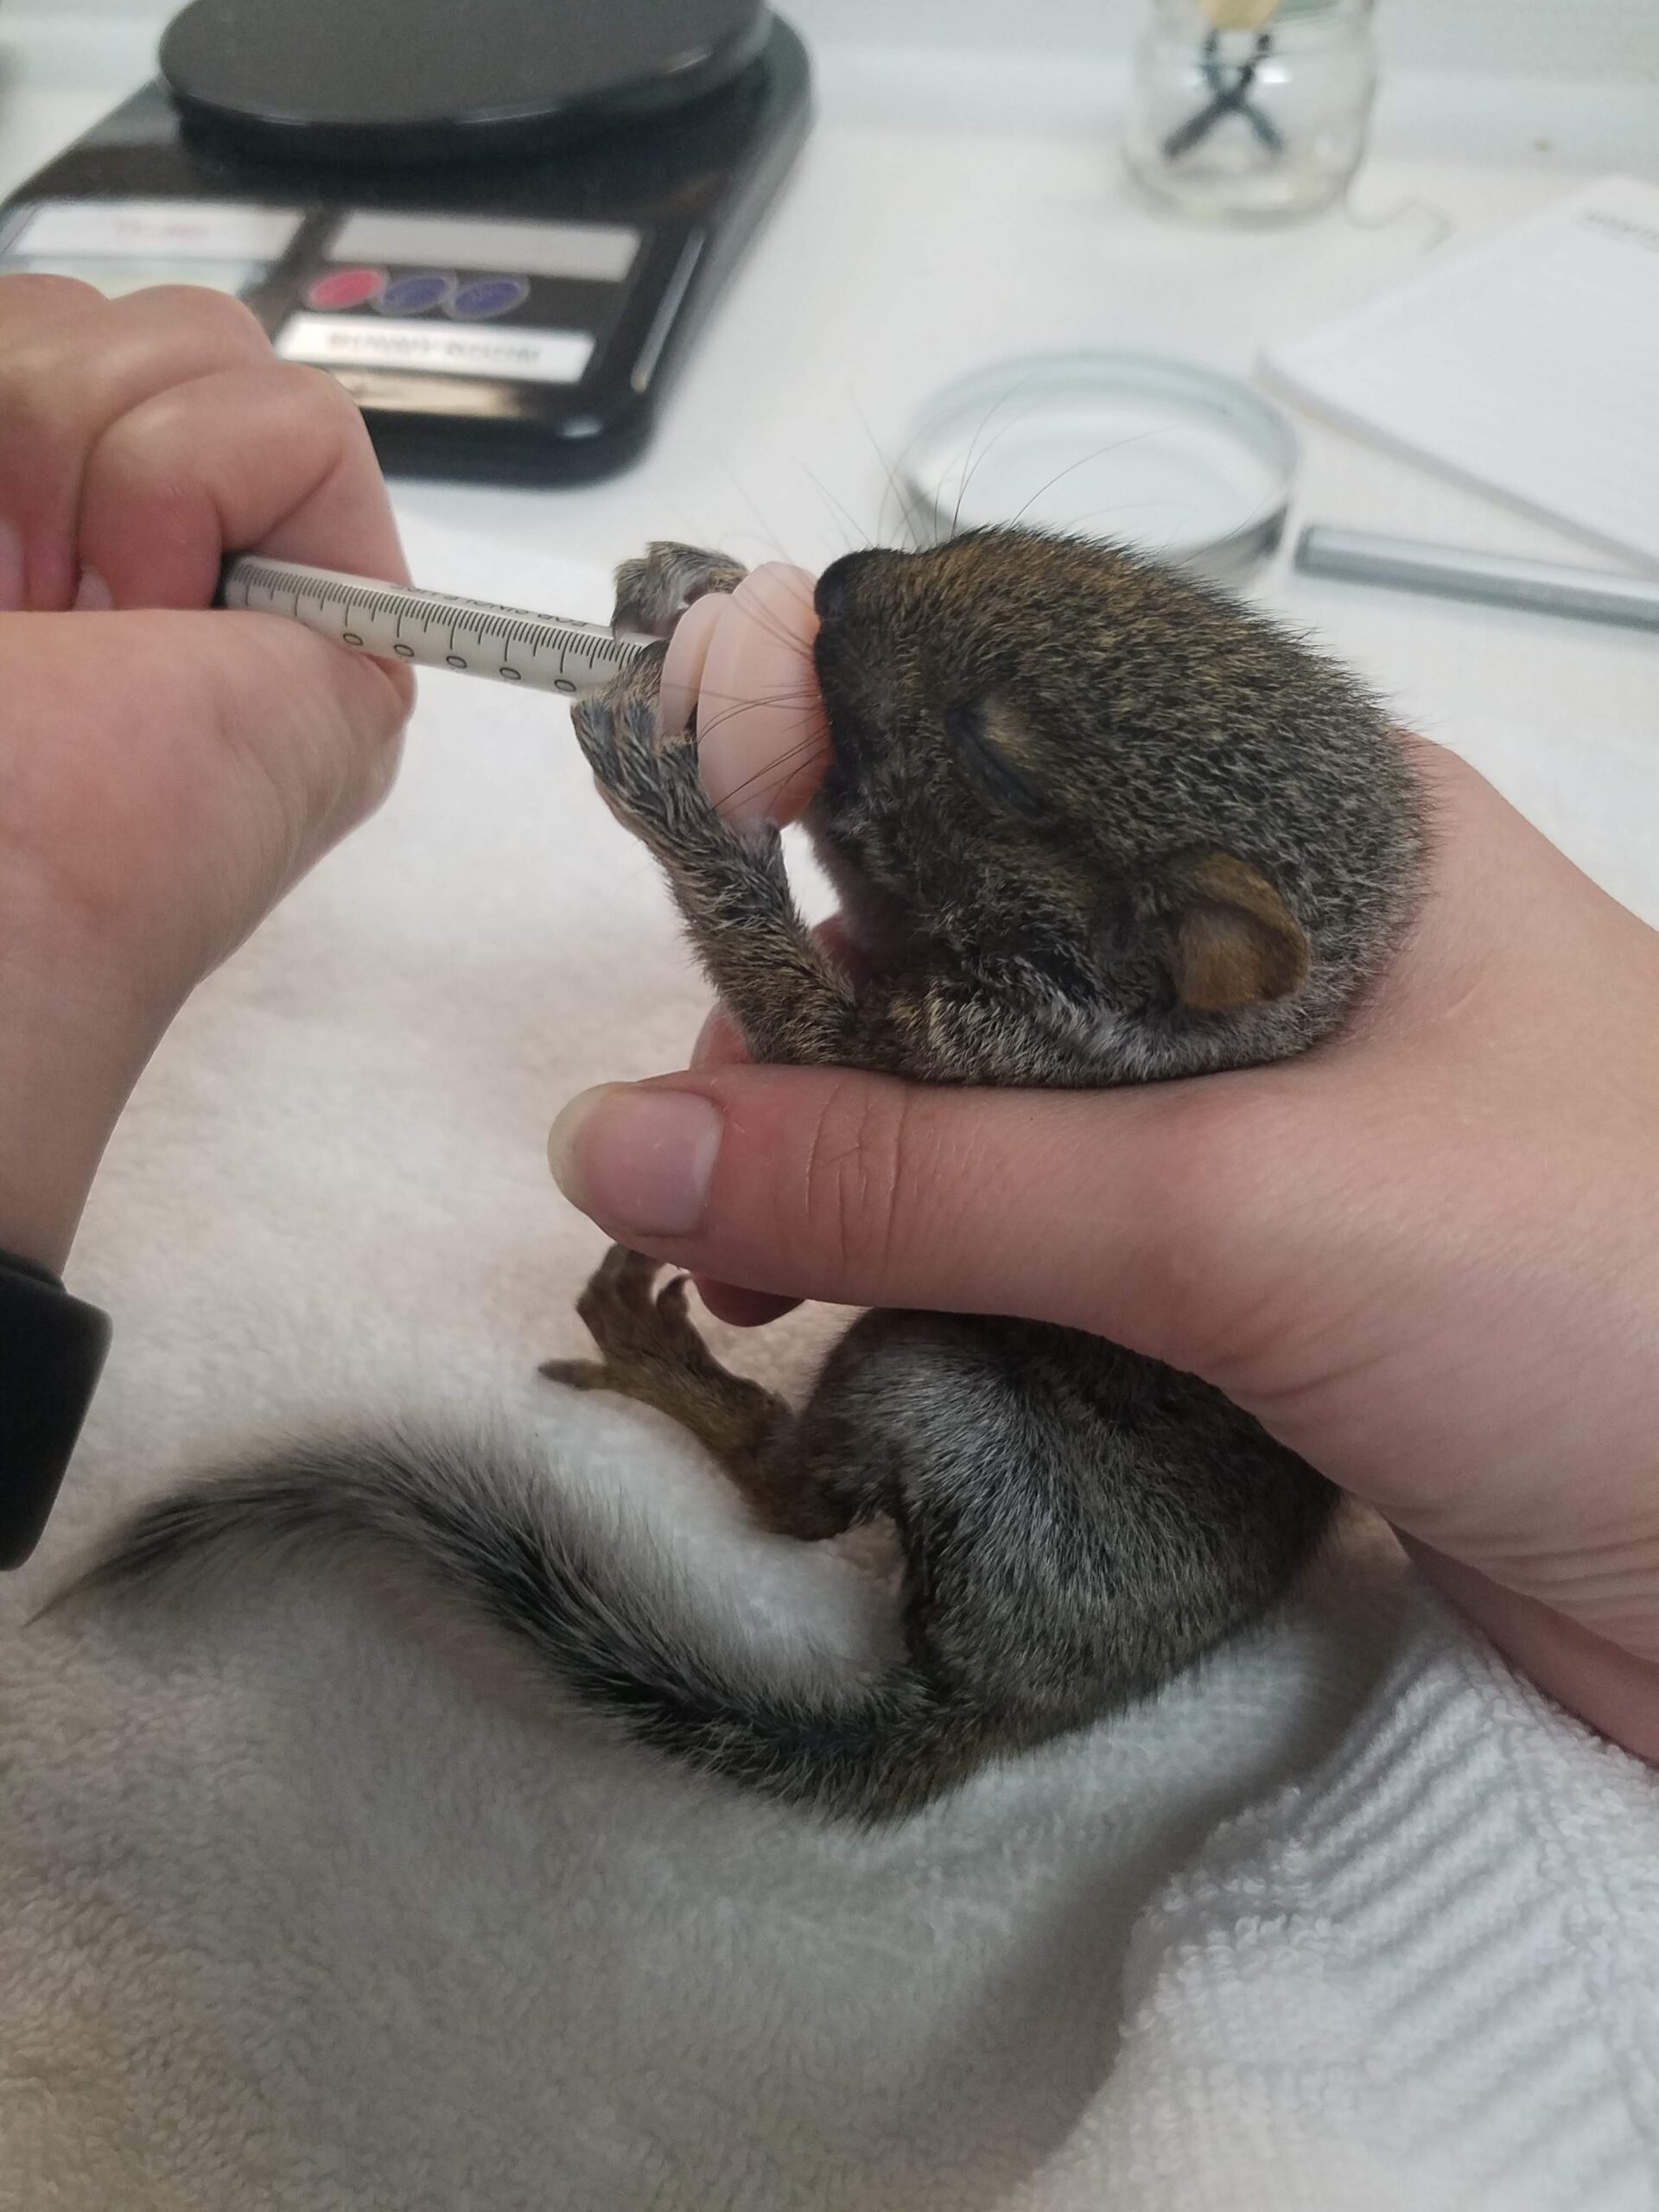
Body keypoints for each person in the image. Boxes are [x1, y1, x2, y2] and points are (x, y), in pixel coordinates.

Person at [4, 276, 1656, 1764]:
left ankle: (770, 1459)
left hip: (1059, 1553)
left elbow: (837, 1029)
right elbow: (916, 858)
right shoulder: (1090, 940)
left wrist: (709, 848)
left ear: (1169, 949)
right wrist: (724, 682)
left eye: (1000, 749)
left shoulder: (1086, 1006)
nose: (864, 588)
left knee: (935, 1387)